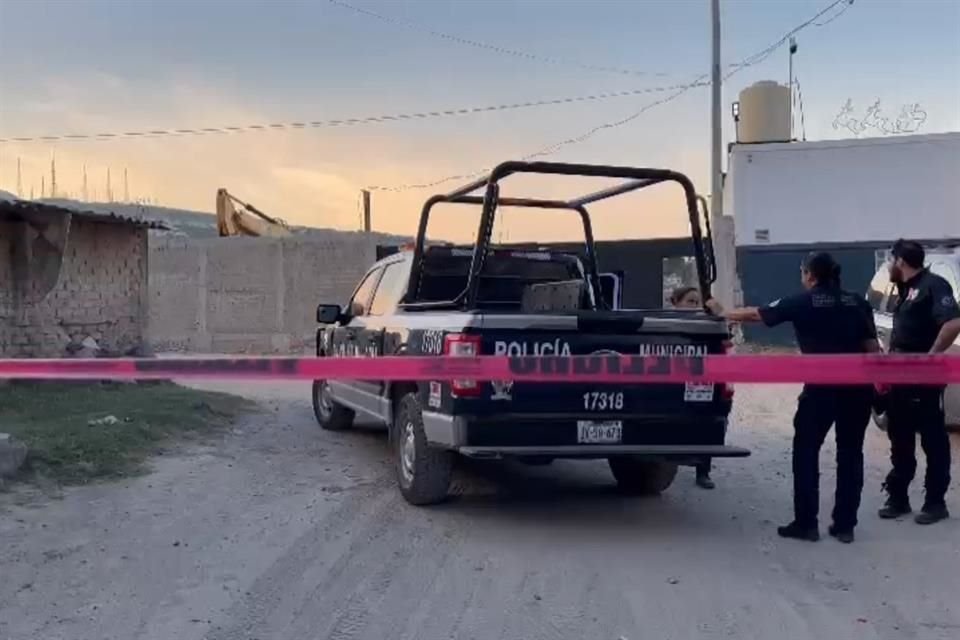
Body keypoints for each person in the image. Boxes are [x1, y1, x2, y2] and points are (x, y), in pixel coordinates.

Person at [706, 252, 879, 543]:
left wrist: (722, 312)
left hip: (820, 390)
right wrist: (879, 386)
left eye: (803, 273)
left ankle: (806, 524)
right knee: (851, 454)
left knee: (806, 452)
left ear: (810, 276)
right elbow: (872, 347)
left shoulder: (803, 301)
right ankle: (845, 525)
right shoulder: (857, 302)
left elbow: (756, 314)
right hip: (857, 389)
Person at [876, 239, 960, 525]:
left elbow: (953, 322)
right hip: (899, 380)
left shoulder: (933, 285)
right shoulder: (905, 290)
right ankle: (898, 498)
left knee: (933, 441)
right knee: (900, 437)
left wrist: (932, 357)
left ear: (900, 261)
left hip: (923, 380)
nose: (889, 265)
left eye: (891, 260)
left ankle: (935, 503)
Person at [669, 286, 716, 490]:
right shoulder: (664, 324)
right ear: (675, 303)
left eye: (697, 303)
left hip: (697, 382)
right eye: (690, 301)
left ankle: (703, 471)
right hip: (671, 383)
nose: (695, 306)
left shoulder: (704, 324)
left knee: (703, 420)